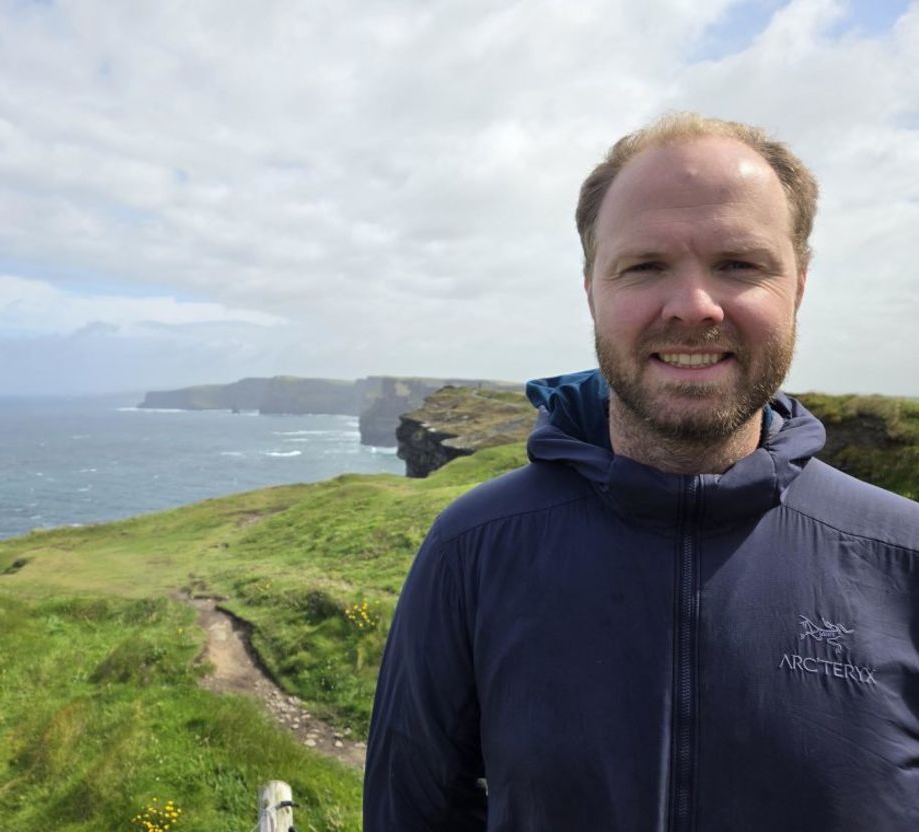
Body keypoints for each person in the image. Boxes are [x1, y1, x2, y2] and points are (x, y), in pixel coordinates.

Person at [363, 113, 919, 831]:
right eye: (646, 266)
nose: (694, 306)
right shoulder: (470, 549)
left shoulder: (903, 559)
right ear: (592, 288)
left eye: (740, 264)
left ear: (799, 287)